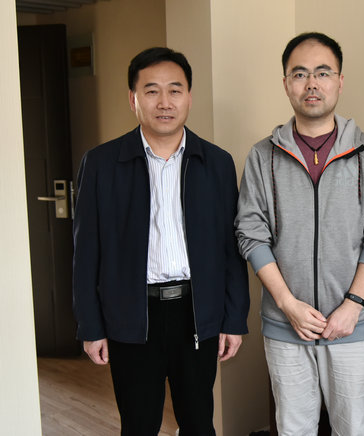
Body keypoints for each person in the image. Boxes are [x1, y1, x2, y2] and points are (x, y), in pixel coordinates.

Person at [72, 47, 249, 436]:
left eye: (175, 90)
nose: (164, 102)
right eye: (151, 91)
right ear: (133, 98)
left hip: (196, 312)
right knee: (139, 425)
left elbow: (231, 250)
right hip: (131, 316)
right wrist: (91, 325)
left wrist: (234, 319)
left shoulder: (216, 163)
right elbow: (85, 254)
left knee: (199, 423)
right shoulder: (101, 164)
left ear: (189, 97)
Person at [235, 32, 364, 435]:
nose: (312, 83)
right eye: (300, 74)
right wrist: (287, 304)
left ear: (339, 81)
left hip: (352, 325)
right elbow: (251, 233)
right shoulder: (262, 156)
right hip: (285, 326)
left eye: (323, 73)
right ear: (286, 83)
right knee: (293, 429)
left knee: (353, 429)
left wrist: (353, 305)